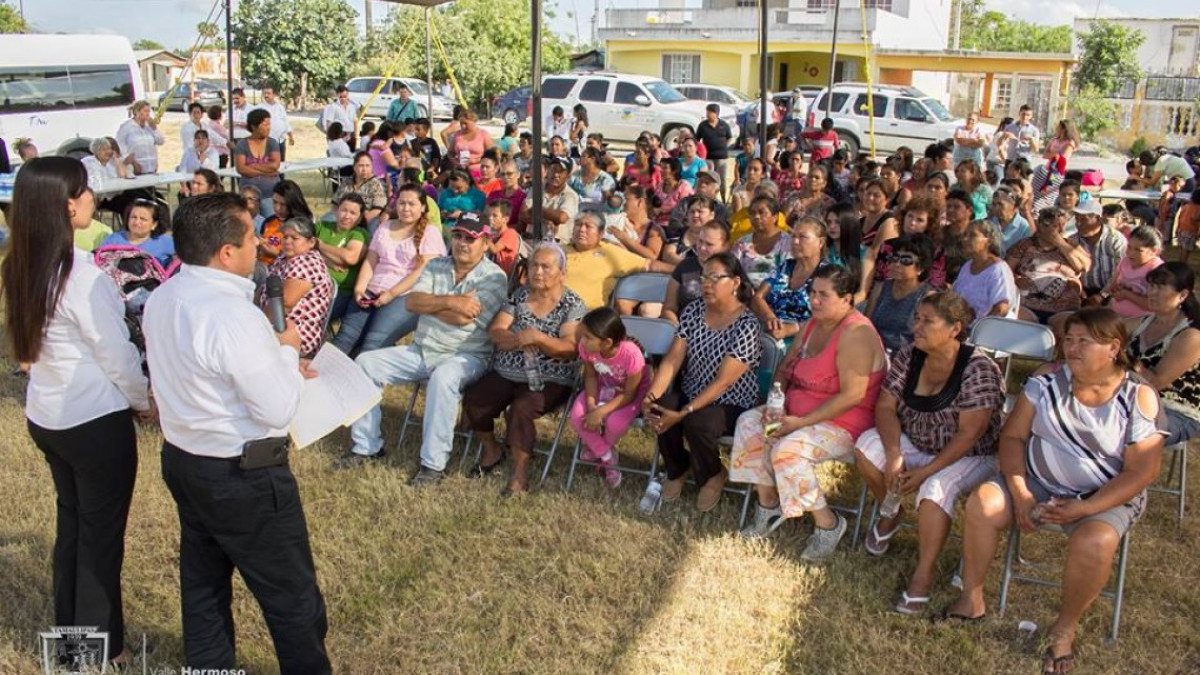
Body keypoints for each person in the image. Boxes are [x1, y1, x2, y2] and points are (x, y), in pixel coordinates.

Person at [142, 193, 331, 673]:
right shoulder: (234, 315)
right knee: (292, 601)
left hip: (186, 460)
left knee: (203, 589)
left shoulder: (163, 296)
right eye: (253, 238)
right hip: (242, 474)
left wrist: (271, 355)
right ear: (227, 252)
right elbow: (277, 407)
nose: (261, 247)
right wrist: (286, 351)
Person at [940, 307, 1166, 675]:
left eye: (1084, 342)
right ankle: (971, 599)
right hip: (1037, 481)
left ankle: (1064, 629)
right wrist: (1019, 491)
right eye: (1068, 340)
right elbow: (1012, 437)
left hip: (1105, 491)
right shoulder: (1045, 382)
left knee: (1094, 541)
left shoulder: (1137, 396)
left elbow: (1143, 470)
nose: (1072, 349)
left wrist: (1085, 507)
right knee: (983, 503)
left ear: (1113, 347)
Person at [2, 157, 151, 669]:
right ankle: (97, 652)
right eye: (87, 191)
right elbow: (117, 353)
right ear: (69, 205)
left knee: (75, 530)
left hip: (49, 416)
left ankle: (72, 644)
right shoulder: (81, 276)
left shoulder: (22, 261)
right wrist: (143, 401)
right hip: (91, 421)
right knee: (99, 540)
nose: (94, 198)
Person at [855, 291, 1004, 613]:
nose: (916, 327)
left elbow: (970, 434)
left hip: (970, 454)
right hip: (916, 440)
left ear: (955, 328)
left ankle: (924, 573)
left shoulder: (979, 368)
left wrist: (925, 472)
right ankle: (891, 510)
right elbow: (885, 406)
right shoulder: (910, 356)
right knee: (867, 447)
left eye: (927, 321)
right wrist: (894, 455)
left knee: (934, 490)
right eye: (917, 319)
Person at [731, 265, 888, 560]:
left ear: (847, 299)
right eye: (812, 293)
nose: (813, 301)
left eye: (823, 295)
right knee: (749, 424)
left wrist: (798, 423)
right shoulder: (811, 325)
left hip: (843, 422)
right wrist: (775, 403)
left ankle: (827, 523)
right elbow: (785, 368)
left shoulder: (857, 333)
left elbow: (852, 396)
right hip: (796, 412)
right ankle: (767, 505)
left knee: (788, 449)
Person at [344, 213, 509, 484]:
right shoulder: (437, 265)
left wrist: (432, 306)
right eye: (457, 236)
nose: (462, 243)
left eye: (471, 238)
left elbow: (465, 319)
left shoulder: (494, 277)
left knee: (444, 377)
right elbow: (412, 303)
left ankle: (433, 465)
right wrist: (452, 302)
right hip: (423, 349)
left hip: (467, 355)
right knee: (365, 362)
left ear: (485, 243)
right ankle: (367, 447)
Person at [643, 253, 764, 512]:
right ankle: (677, 467)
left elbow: (723, 382)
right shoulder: (694, 310)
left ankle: (712, 474)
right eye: (703, 278)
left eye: (714, 277)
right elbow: (672, 362)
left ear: (734, 282)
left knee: (697, 422)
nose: (706, 284)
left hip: (732, 401)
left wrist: (684, 412)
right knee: (658, 408)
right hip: (694, 388)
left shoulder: (747, 324)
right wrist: (650, 397)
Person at [462, 242, 585, 493]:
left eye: (545, 267)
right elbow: (496, 330)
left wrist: (539, 339)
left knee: (521, 409)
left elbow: (569, 347)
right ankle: (492, 450)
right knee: (475, 398)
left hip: (551, 377)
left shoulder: (572, 304)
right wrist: (518, 340)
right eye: (533, 265)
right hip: (508, 370)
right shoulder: (520, 296)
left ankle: (519, 474)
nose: (537, 272)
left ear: (562, 273)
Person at [332, 183, 446, 355]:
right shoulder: (385, 227)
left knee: (372, 344)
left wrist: (391, 294)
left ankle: (362, 379)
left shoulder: (430, 232)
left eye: (411, 204)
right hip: (371, 290)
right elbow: (371, 260)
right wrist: (360, 288)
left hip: (404, 295)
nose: (405, 208)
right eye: (401, 203)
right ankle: (324, 377)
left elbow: (421, 271)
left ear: (422, 207)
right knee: (345, 337)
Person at [567, 306, 653, 488]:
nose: (582, 340)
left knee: (615, 423)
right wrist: (591, 405)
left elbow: (630, 393)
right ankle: (608, 456)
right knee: (576, 415)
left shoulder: (631, 354)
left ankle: (596, 447)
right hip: (602, 385)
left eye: (588, 337)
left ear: (606, 342)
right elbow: (590, 376)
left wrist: (601, 412)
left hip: (631, 392)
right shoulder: (586, 347)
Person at [1129, 262, 1200, 446]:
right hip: (1134, 399)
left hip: (1175, 410)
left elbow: (1156, 382)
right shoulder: (1144, 322)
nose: (1152, 293)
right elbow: (1107, 328)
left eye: (1160, 287)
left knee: (1129, 433)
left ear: (1182, 295)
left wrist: (1124, 360)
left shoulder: (1191, 335)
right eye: (1151, 286)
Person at [563, 211, 671, 310]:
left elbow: (649, 265)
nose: (581, 229)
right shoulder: (559, 250)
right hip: (552, 312)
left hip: (585, 317)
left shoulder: (610, 252)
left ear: (600, 233)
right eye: (578, 225)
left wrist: (680, 270)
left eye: (588, 226)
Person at [258, 217, 334, 357]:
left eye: (294, 238)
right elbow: (264, 287)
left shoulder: (307, 263)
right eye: (285, 237)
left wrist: (256, 325)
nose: (287, 241)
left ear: (311, 242)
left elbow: (283, 304)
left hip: (296, 333)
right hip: (276, 324)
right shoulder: (285, 258)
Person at [1005, 208, 1089, 324]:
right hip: (1028, 306)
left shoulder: (1070, 245)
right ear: (1042, 226)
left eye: (1062, 225)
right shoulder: (1024, 245)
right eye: (1055, 226)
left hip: (1063, 307)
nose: (1060, 229)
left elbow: (1084, 266)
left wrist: (1060, 243)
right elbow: (1006, 270)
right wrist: (1017, 279)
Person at [754, 216, 831, 340]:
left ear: (820, 242)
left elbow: (830, 316)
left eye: (802, 237)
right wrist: (770, 317)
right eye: (793, 236)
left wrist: (790, 329)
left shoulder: (828, 274)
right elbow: (758, 297)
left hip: (806, 338)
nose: (795, 242)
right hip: (770, 332)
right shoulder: (785, 266)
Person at [866, 234, 935, 353]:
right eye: (894, 257)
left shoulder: (927, 297)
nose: (897, 264)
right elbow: (866, 325)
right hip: (873, 352)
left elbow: (927, 340)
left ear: (920, 268)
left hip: (904, 359)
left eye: (906, 260)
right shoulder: (880, 288)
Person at [662, 220, 730, 323]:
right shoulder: (684, 267)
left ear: (725, 246)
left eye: (709, 244)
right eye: (700, 241)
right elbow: (669, 308)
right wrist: (680, 330)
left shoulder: (732, 270)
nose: (702, 248)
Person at [316, 193, 368, 321]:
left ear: (360, 217)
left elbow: (350, 258)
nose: (346, 216)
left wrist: (319, 244)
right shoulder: (321, 225)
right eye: (344, 210)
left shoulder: (359, 234)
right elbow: (301, 247)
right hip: (310, 282)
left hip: (338, 291)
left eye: (353, 213)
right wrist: (326, 260)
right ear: (337, 210)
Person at [953, 219, 1018, 322]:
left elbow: (1001, 309)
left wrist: (978, 328)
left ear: (989, 240)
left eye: (972, 235)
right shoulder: (967, 266)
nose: (965, 239)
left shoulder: (998, 269)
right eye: (965, 235)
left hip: (986, 330)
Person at [1101, 225, 1164, 321]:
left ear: (1154, 251)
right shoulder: (1125, 262)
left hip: (1142, 322)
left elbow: (1154, 305)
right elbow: (1112, 284)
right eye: (1129, 247)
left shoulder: (1157, 269)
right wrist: (1111, 291)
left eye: (1138, 250)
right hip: (1116, 316)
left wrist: (1127, 295)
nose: (1130, 253)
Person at [1071, 199, 1127, 306]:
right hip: (1082, 292)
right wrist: (1079, 290)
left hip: (1110, 292)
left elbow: (1121, 273)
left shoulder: (1115, 239)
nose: (1078, 223)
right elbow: (1070, 272)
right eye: (1077, 219)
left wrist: (1102, 295)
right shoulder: (1073, 240)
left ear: (1098, 219)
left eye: (1083, 219)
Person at [733, 195, 790, 287]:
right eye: (752, 213)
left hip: (777, 296)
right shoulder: (742, 243)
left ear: (775, 217)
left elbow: (787, 275)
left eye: (761, 212)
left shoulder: (788, 243)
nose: (756, 217)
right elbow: (733, 271)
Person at [234, 109, 282, 218]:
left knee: (271, 223)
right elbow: (241, 169)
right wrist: (267, 172)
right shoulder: (242, 144)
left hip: (270, 195)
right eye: (265, 125)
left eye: (269, 124)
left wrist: (252, 165)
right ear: (254, 126)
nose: (268, 128)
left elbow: (275, 165)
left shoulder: (272, 143)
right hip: (248, 197)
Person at [100, 199, 176, 268]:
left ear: (154, 224)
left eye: (143, 219)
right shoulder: (113, 240)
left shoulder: (166, 242)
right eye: (133, 217)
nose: (137, 222)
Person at [520, 156, 580, 241]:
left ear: (568, 176)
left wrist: (535, 208)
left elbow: (561, 218)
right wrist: (544, 221)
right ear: (548, 171)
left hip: (556, 245)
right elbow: (523, 214)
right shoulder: (537, 187)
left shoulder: (571, 195)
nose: (555, 174)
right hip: (532, 240)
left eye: (560, 172)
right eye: (553, 169)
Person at [260, 180, 313, 266]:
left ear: (292, 204)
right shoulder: (268, 222)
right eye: (275, 202)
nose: (277, 208)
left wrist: (276, 254)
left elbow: (303, 259)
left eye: (283, 204)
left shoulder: (302, 226)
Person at [334, 152, 388, 226]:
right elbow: (334, 204)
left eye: (367, 166)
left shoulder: (376, 184)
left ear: (372, 167)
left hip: (365, 220)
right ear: (354, 167)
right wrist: (339, 217)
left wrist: (359, 221)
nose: (364, 169)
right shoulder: (346, 182)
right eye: (361, 166)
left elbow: (378, 209)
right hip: (344, 217)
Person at [116, 100, 165, 175]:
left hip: (151, 167)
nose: (148, 114)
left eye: (149, 111)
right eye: (145, 111)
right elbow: (120, 145)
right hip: (135, 167)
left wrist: (154, 128)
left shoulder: (149, 126)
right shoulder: (127, 126)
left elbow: (161, 141)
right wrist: (131, 161)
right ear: (137, 112)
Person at [696, 103, 733, 196]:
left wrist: (725, 146)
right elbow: (696, 140)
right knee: (709, 179)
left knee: (722, 179)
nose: (707, 114)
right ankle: (709, 197)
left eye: (709, 112)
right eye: (707, 112)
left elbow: (730, 137)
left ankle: (723, 199)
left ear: (716, 113)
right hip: (708, 158)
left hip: (722, 158)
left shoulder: (724, 125)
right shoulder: (703, 125)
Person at [987, 188, 1031, 255]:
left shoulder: (1024, 227)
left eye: (1000, 204)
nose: (996, 208)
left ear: (1013, 206)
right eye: (994, 204)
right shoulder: (990, 222)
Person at [451, 110, 494, 179]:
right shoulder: (457, 135)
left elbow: (491, 155)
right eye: (461, 123)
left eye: (465, 123)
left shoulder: (483, 134)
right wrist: (455, 162)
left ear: (473, 121)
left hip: (478, 173)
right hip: (461, 172)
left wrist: (474, 160)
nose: (463, 126)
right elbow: (450, 152)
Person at [256, 86, 294, 161]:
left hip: (280, 140)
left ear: (274, 95)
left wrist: (291, 137)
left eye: (268, 93)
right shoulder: (259, 108)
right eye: (265, 93)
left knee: (281, 163)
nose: (266, 95)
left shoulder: (280, 107)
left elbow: (286, 122)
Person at [487, 158, 526, 228]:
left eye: (509, 174)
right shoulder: (493, 195)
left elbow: (521, 226)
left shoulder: (523, 197)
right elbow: (485, 218)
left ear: (518, 174)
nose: (505, 177)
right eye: (502, 174)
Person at [321, 85, 360, 149]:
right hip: (340, 135)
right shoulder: (333, 107)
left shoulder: (352, 106)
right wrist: (329, 137)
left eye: (345, 96)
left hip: (351, 134)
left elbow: (355, 121)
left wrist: (356, 136)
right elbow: (329, 122)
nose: (343, 99)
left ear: (348, 95)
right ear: (337, 95)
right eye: (341, 97)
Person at [1175, 189, 1200, 264]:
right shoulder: (1198, 208)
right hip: (1190, 231)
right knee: (1186, 251)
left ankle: (1181, 264)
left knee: (1182, 250)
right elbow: (1195, 218)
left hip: (1181, 229)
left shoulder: (1186, 206)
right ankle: (1182, 265)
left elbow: (1180, 217)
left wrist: (1177, 228)